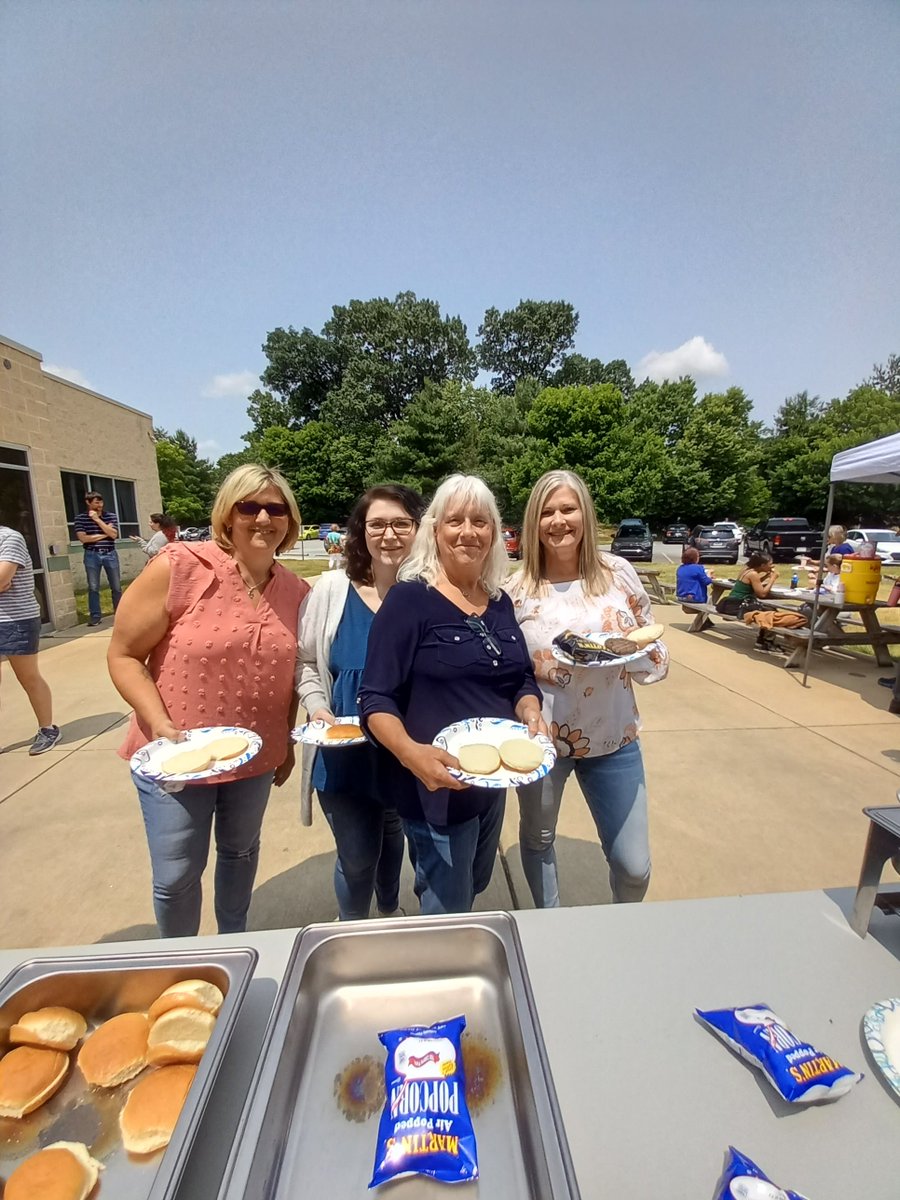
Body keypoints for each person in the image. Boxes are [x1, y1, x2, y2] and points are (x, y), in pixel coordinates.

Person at [108, 465, 309, 937]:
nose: (263, 518)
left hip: (255, 757)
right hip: (176, 757)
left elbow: (291, 673)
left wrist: (286, 739)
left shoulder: (298, 591)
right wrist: (159, 725)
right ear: (228, 514)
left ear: (289, 520)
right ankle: (178, 959)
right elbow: (123, 654)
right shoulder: (180, 568)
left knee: (240, 852)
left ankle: (232, 943)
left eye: (275, 508)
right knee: (178, 874)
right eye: (250, 506)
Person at [358, 474, 546, 915]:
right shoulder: (410, 601)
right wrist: (410, 754)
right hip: (434, 787)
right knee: (449, 908)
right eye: (455, 520)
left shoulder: (499, 601)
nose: (468, 532)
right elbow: (375, 698)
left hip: (491, 783)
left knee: (475, 883)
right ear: (435, 531)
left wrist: (530, 705)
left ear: (495, 533)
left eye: (480, 521)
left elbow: (518, 676)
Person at [508, 470, 668, 909]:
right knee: (538, 841)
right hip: (542, 744)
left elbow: (656, 652)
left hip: (615, 740)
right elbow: (507, 673)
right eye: (547, 511)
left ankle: (623, 926)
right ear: (533, 522)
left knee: (634, 867)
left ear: (585, 514)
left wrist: (620, 655)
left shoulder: (618, 573)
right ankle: (552, 924)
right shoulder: (515, 590)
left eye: (568, 509)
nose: (558, 520)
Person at [298, 484, 426, 920]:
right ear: (361, 531)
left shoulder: (426, 594)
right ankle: (350, 929)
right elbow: (307, 663)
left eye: (401, 523)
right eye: (377, 524)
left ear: (417, 529)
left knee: (392, 833)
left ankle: (389, 912)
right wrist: (318, 708)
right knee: (356, 856)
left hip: (402, 750)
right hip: (344, 754)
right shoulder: (332, 589)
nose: (389, 534)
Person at [0, 525, 60, 755]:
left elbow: (3, 579)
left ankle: (47, 729)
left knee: (28, 677)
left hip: (16, 619)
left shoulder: (9, 538)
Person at [716, 551, 780, 652]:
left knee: (767, 609)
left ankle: (762, 640)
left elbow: (754, 584)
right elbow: (762, 594)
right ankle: (767, 642)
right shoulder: (753, 574)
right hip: (739, 606)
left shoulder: (746, 570)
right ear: (762, 565)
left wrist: (766, 576)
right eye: (770, 564)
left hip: (731, 603)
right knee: (771, 613)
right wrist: (772, 579)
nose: (773, 566)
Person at [74, 491, 121, 626]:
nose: (100, 505)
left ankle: (119, 613)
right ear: (88, 503)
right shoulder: (80, 518)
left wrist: (97, 520)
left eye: (101, 502)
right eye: (96, 502)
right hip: (92, 554)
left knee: (116, 586)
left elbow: (114, 535)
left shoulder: (110, 516)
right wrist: (105, 533)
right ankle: (95, 616)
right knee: (93, 587)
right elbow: (83, 538)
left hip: (110, 553)